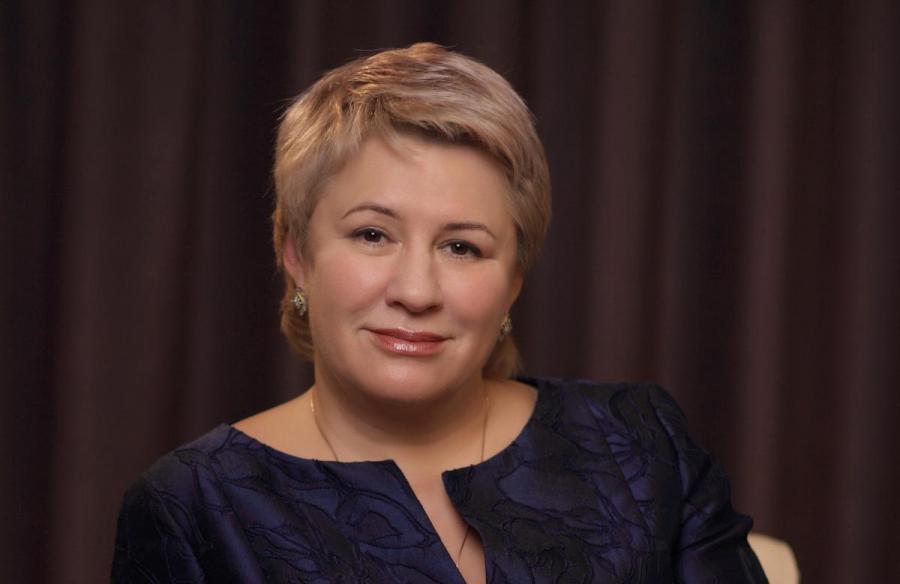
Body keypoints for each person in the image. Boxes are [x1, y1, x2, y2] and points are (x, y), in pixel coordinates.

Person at [112, 43, 766, 583]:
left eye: (462, 247)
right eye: (373, 234)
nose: (417, 291)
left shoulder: (639, 446)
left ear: (513, 281)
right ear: (296, 253)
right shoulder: (193, 506)